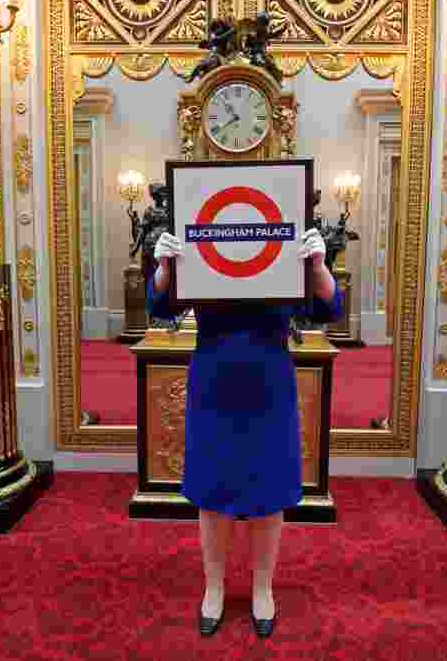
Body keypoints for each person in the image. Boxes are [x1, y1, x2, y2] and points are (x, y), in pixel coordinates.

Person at [147, 226, 343, 637]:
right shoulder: (201, 238)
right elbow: (161, 305)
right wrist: (164, 266)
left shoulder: (284, 241)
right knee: (213, 493)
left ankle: (262, 588)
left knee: (268, 495)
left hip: (269, 385)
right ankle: (213, 587)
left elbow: (329, 308)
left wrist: (319, 266)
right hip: (214, 382)